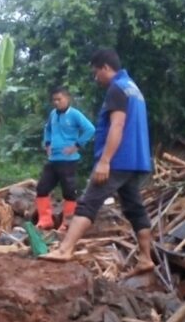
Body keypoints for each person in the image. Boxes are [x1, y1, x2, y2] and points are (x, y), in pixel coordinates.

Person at [42, 49, 154, 269]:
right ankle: (146, 258)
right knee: (135, 208)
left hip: (117, 160)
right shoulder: (133, 89)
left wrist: (105, 160)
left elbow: (118, 125)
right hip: (136, 160)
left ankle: (65, 249)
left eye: (96, 72)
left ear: (105, 67)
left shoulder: (117, 88)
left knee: (88, 202)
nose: (96, 78)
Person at [35, 86, 95, 230]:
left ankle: (67, 223)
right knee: (42, 188)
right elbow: (47, 128)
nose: (56, 102)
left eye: (59, 99)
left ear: (67, 99)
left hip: (68, 160)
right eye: (54, 100)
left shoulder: (74, 114)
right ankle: (45, 220)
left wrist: (78, 145)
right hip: (53, 159)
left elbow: (90, 129)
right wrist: (47, 143)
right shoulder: (53, 114)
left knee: (68, 191)